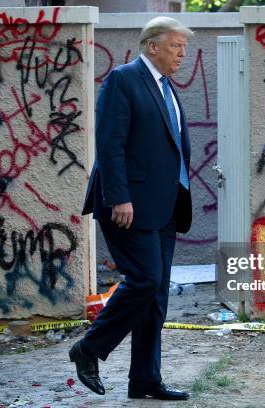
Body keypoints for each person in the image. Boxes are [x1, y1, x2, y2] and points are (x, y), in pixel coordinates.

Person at [72, 17, 193, 400]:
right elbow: (110, 143)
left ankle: (145, 379)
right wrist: (118, 196)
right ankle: (89, 348)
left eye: (184, 48)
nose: (182, 54)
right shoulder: (123, 79)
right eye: (176, 46)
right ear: (152, 45)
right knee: (144, 280)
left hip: (165, 207)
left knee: (155, 296)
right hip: (129, 205)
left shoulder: (166, 87)